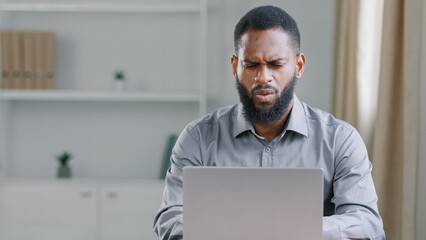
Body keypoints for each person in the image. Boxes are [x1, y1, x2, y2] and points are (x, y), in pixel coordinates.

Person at [153, 5, 385, 240]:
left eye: (275, 64)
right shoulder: (198, 138)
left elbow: (367, 224)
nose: (263, 77)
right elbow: (170, 218)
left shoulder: (340, 140)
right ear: (235, 67)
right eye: (251, 65)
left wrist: (293, 231)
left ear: (299, 66)